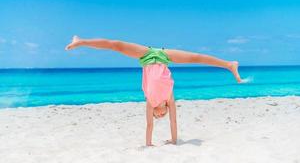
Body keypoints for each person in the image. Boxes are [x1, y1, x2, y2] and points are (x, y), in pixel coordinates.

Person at [65, 35, 242, 146]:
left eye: (157, 116)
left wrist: (149, 144)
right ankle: (81, 41)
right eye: (161, 116)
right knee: (196, 57)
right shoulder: (170, 99)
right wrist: (174, 140)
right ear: (164, 110)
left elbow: (149, 125)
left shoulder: (150, 102)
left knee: (117, 45)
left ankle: (229, 65)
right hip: (164, 56)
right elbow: (174, 123)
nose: (159, 116)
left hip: (146, 56)